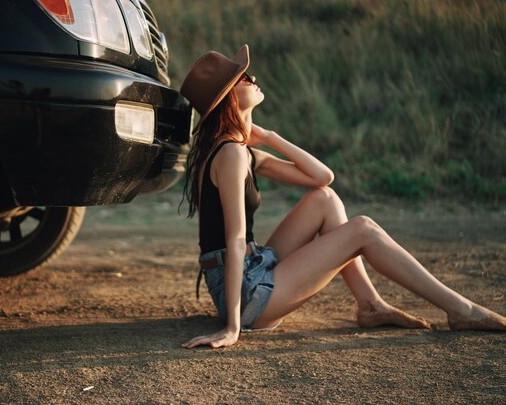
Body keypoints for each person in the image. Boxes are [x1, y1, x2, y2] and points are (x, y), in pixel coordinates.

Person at [178, 44, 506, 349]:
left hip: (254, 265)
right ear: (230, 98)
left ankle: (370, 304)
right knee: (362, 229)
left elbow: (322, 177)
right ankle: (461, 309)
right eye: (244, 78)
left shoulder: (242, 152)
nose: (254, 78)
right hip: (248, 293)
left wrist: (271, 137)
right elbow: (234, 239)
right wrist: (233, 327)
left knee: (326, 199)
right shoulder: (230, 156)